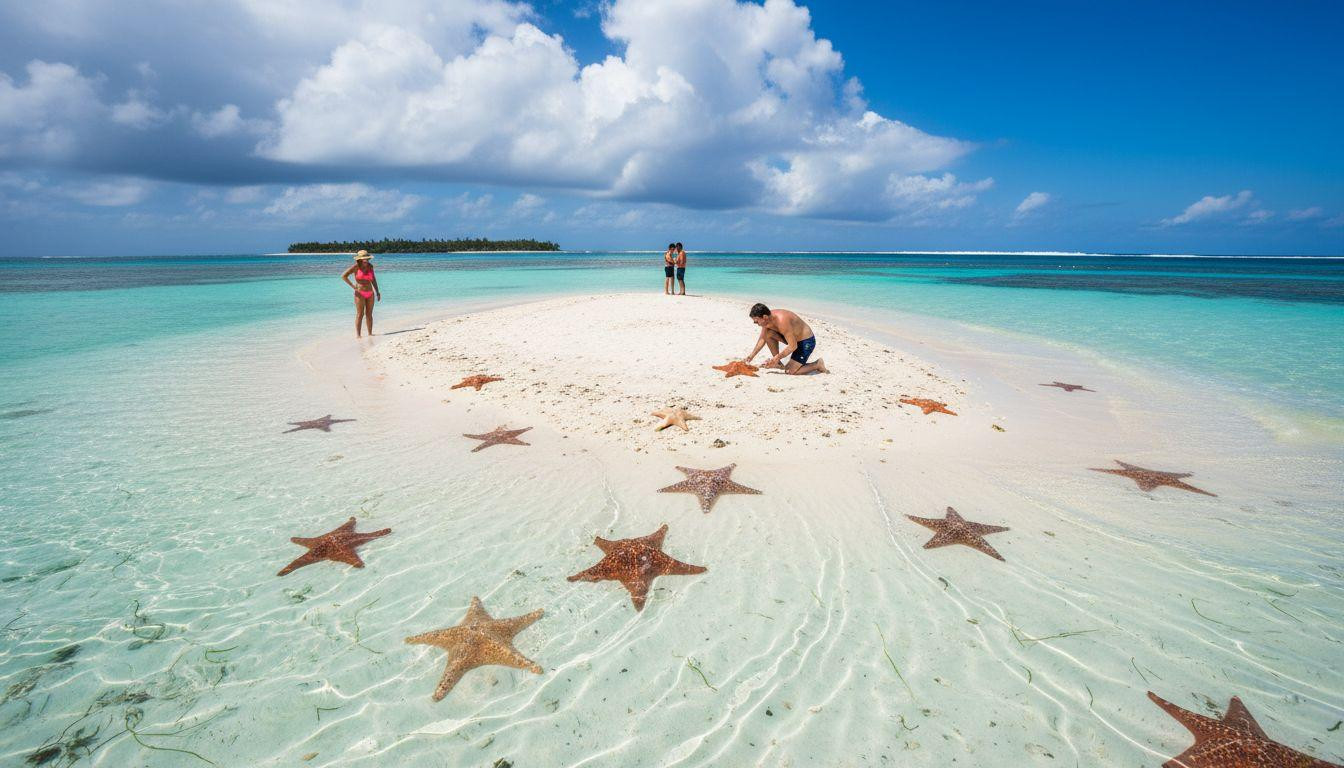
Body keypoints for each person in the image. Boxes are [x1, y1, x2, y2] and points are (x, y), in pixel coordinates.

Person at [743, 302, 828, 374]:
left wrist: (777, 357)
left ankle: (817, 364)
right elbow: (762, 339)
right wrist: (751, 356)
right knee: (768, 334)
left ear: (764, 317)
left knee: (790, 371)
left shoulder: (782, 321)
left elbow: (793, 346)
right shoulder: (767, 321)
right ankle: (778, 364)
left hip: (805, 341)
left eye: (756, 320)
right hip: (792, 339)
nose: (754, 322)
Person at [341, 250, 380, 338]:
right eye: (364, 259)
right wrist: (353, 286)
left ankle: (370, 334)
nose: (366, 260)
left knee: (369, 314)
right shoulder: (355, 267)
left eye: (367, 259)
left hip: (370, 293)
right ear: (360, 259)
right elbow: (344, 276)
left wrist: (377, 291)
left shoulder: (370, 266)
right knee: (360, 314)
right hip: (359, 293)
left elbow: (373, 279)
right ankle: (358, 335)